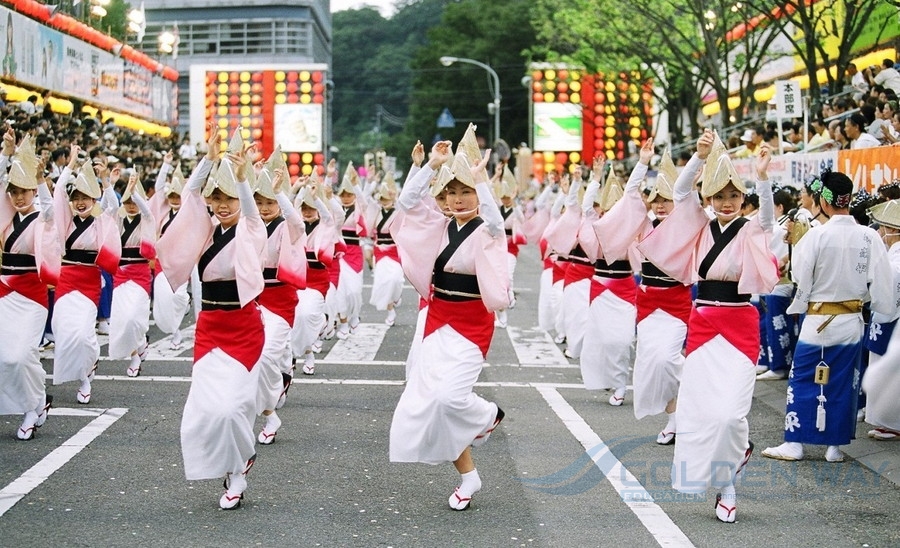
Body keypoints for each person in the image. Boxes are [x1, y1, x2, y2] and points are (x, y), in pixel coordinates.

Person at [639, 130, 779, 523]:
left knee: (730, 416)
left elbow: (767, 219)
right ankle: (726, 487)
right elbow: (681, 194)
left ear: (742, 198)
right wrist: (699, 158)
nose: (727, 203)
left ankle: (735, 461)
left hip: (740, 323)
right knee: (699, 412)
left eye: (734, 196)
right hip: (702, 324)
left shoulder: (750, 228)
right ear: (710, 199)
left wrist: (763, 176)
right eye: (719, 197)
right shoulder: (700, 226)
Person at [389, 127, 508, 511]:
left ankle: (488, 414)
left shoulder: (489, 231)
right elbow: (406, 203)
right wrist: (428, 167)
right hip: (437, 320)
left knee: (449, 397)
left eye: (465, 192)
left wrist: (482, 181)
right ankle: (468, 476)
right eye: (451, 193)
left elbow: (495, 220)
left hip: (472, 325)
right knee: (428, 402)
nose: (457, 199)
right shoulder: (439, 225)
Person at [156, 126, 266, 509]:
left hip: (244, 328)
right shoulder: (203, 232)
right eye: (216, 199)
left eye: (228, 199)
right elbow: (188, 197)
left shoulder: (252, 231)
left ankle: (240, 462)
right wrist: (207, 160)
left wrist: (242, 181)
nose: (221, 205)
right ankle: (235, 469)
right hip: (210, 328)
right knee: (205, 409)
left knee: (234, 407)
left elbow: (252, 217)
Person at [762, 169, 893, 464]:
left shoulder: (816, 236)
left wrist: (802, 302)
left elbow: (800, 276)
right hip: (852, 318)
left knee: (805, 377)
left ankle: (794, 442)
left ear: (824, 199)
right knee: (844, 381)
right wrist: (874, 303)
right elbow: (882, 283)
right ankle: (834, 445)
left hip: (819, 318)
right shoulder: (869, 235)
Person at [596, 145, 692, 441]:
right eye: (656, 200)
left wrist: (696, 163)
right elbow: (629, 199)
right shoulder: (643, 226)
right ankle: (674, 419)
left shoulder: (686, 227)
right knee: (653, 366)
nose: (661, 205)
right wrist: (642, 163)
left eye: (666, 200)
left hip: (676, 304)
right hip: (649, 305)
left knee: (666, 360)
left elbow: (690, 201)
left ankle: (697, 381)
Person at [51, 144, 121, 404]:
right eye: (76, 198)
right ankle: (82, 371)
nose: (80, 202)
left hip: (89, 281)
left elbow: (113, 206)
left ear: (94, 201)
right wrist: (70, 165)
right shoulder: (66, 220)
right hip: (66, 279)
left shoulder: (101, 220)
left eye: (86, 198)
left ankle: (85, 376)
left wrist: (105, 181)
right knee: (63, 331)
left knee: (83, 334)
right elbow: (58, 192)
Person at [0, 131, 58, 439]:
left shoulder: (41, 217)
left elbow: (50, 211)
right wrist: (7, 153)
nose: (19, 196)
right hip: (4, 293)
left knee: (21, 355)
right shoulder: (6, 217)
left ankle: (32, 407)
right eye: (14, 191)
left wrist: (40, 181)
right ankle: (36, 403)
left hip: (32, 295)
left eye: (24, 190)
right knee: (5, 355)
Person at [252, 150, 306, 444]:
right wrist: (248, 173)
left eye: (269, 202)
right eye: (259, 202)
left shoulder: (288, 226)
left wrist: (279, 193)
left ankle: (270, 412)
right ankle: (283, 374)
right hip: (251, 299)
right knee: (259, 358)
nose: (264, 207)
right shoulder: (250, 224)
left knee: (264, 356)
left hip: (280, 299)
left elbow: (297, 223)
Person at [580, 161, 636, 407]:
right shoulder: (597, 228)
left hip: (624, 288)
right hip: (600, 289)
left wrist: (642, 166)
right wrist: (595, 178)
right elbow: (585, 209)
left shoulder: (631, 229)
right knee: (601, 338)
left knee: (621, 340)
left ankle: (621, 383)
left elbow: (635, 199)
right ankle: (609, 378)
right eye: (607, 210)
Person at [108, 172, 156, 377]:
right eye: (126, 201)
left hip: (140, 273)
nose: (130, 205)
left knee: (135, 318)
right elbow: (108, 206)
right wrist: (107, 182)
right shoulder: (117, 219)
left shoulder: (147, 219)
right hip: (120, 274)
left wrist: (135, 191)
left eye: (133, 201)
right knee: (123, 319)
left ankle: (141, 341)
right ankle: (135, 355)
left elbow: (146, 211)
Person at [290, 173, 336, 376]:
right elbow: (288, 210)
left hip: (317, 281)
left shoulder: (325, 227)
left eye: (311, 208)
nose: (307, 212)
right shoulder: (296, 226)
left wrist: (317, 198)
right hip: (296, 280)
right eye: (304, 208)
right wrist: (298, 190)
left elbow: (328, 216)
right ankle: (300, 354)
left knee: (307, 314)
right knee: (296, 317)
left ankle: (312, 343)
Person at [862, 199, 900, 439]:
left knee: (891, 370)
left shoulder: (895, 258)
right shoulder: (891, 255)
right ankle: (884, 419)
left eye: (883, 227)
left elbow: (889, 288)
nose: (880, 232)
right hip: (885, 316)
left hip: (891, 318)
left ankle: (892, 421)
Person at [148, 156, 194, 349]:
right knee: (164, 298)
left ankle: (187, 303)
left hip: (181, 263)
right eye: (172, 196)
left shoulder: (188, 212)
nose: (175, 200)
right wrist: (166, 164)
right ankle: (175, 332)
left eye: (178, 196)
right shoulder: (163, 212)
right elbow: (159, 189)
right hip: (162, 263)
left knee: (178, 297)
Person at [366, 171, 404, 326]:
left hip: (395, 250)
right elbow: (365, 198)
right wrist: (372, 183)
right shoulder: (376, 210)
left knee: (396, 279)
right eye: (383, 198)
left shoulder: (398, 211)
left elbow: (405, 206)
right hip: (380, 251)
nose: (385, 201)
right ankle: (390, 311)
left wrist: (395, 198)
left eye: (387, 198)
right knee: (383, 281)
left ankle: (396, 298)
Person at [493, 165, 526, 328]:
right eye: (504, 198)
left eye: (508, 198)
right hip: (498, 246)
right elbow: (489, 191)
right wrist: (496, 176)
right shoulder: (498, 208)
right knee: (498, 276)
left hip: (511, 247)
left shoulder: (515, 209)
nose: (505, 200)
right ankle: (507, 300)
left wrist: (514, 203)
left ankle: (510, 296)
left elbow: (521, 219)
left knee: (509, 274)